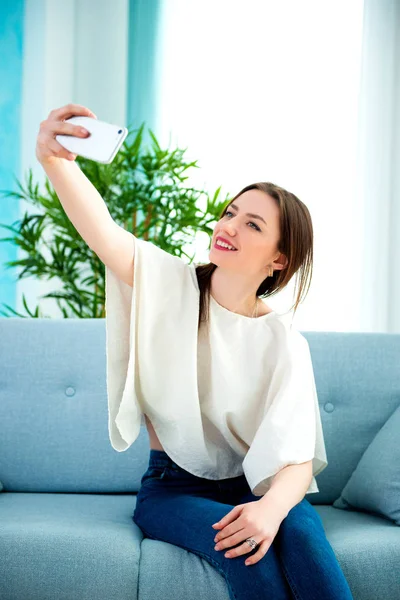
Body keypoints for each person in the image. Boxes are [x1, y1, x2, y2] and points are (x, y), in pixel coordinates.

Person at [37, 104, 354, 600]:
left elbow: (296, 459)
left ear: (279, 259)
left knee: (308, 547)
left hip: (257, 487)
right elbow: (106, 236)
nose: (228, 226)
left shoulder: (283, 342)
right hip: (173, 488)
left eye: (252, 225)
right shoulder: (172, 287)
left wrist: (269, 511)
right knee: (251, 558)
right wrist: (57, 163)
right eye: (230, 213)